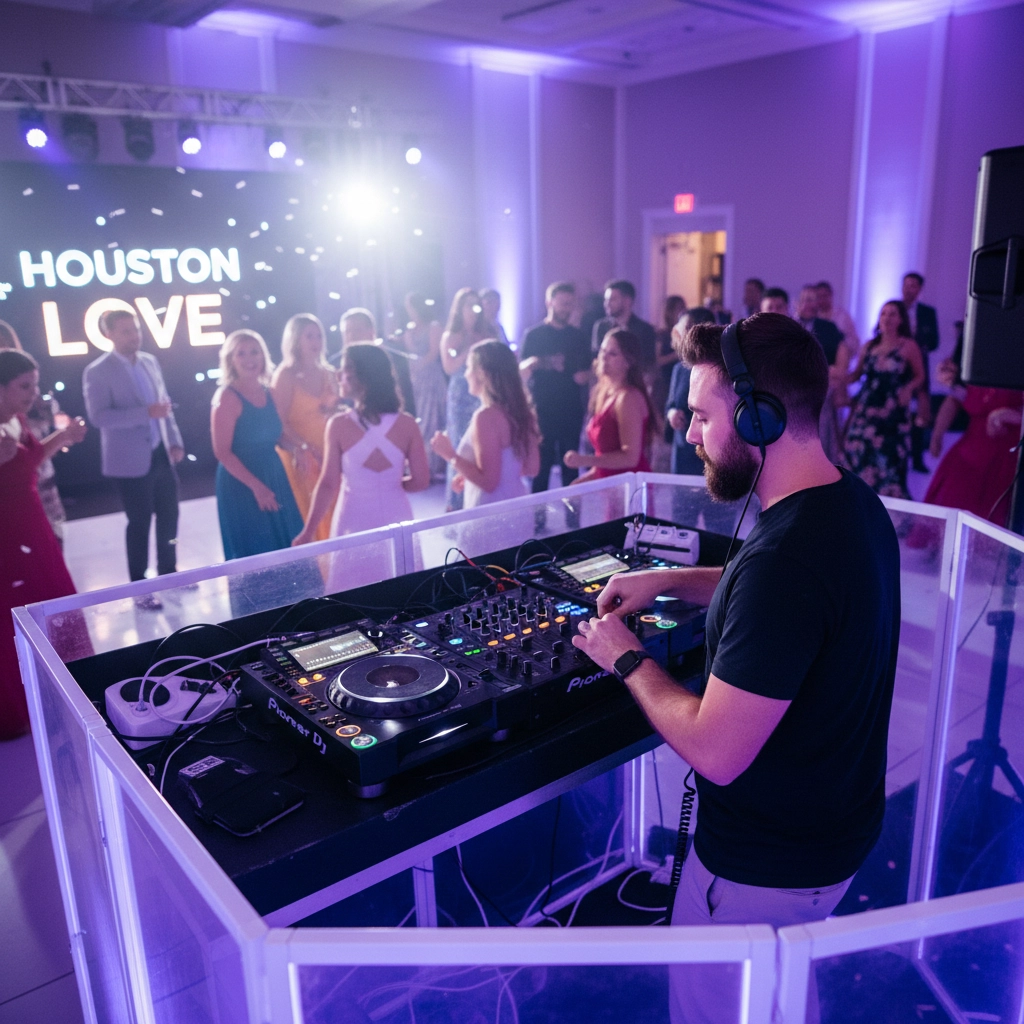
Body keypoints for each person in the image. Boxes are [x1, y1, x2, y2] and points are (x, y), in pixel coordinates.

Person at [572, 313, 899, 1024]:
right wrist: (668, 580)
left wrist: (621, 655)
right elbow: (775, 588)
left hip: (760, 870)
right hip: (828, 839)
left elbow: (716, 752)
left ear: (758, 419)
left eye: (699, 415)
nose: (689, 434)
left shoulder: (785, 562)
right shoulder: (850, 505)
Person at [0, 349, 87, 739]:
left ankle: (62, 685)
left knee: (53, 601)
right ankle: (19, 706)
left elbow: (29, 461)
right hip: (7, 538)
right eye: (24, 386)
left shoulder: (16, 419)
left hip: (35, 525)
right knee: (14, 617)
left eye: (34, 385)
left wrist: (64, 437)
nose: (33, 394)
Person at [82, 310, 184, 604]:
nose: (134, 336)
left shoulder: (150, 361)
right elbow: (99, 417)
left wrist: (174, 440)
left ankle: (171, 572)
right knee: (139, 523)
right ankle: (139, 588)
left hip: (161, 453)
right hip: (128, 462)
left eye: (136, 329)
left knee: (170, 518)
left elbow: (164, 407)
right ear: (109, 334)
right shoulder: (97, 371)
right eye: (125, 331)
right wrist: (144, 414)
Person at [294, 342, 429, 543]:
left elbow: (329, 484)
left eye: (346, 367)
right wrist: (389, 486)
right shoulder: (407, 424)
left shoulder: (339, 425)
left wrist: (308, 532)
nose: (338, 374)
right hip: (397, 515)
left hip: (352, 520)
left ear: (366, 376)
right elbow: (421, 481)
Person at [211, 330, 304, 561]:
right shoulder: (227, 397)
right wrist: (257, 487)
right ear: (231, 360)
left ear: (263, 356)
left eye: (254, 352)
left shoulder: (270, 392)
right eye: (241, 353)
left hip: (273, 474)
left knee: (287, 544)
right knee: (257, 549)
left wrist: (297, 449)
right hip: (242, 484)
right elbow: (222, 452)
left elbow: (277, 434)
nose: (249, 358)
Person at [431, 340, 540, 507]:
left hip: (491, 510)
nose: (466, 374)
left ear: (481, 373)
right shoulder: (522, 412)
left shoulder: (486, 417)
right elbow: (531, 467)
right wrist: (469, 472)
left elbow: (489, 482)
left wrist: (450, 455)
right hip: (519, 504)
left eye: (468, 367)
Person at [842, 301, 926, 499]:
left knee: (888, 461)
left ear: (900, 319)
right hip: (867, 409)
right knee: (856, 452)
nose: (887, 318)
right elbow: (856, 374)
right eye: (883, 314)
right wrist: (838, 379)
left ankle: (891, 511)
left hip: (892, 411)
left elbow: (920, 376)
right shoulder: (869, 346)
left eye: (892, 314)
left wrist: (908, 389)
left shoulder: (908, 346)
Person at [271, 314, 339, 543]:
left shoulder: (329, 372)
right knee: (313, 515)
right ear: (295, 340)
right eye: (309, 336)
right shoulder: (285, 374)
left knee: (337, 512)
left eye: (319, 335)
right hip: (301, 454)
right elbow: (278, 422)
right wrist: (304, 447)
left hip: (330, 451)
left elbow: (335, 413)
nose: (315, 341)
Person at [519, 282, 591, 492]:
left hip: (571, 409)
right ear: (549, 302)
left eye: (570, 304)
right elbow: (522, 369)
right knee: (540, 467)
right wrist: (538, 362)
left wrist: (585, 376)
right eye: (562, 303)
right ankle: (538, 522)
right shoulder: (534, 334)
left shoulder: (578, 336)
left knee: (571, 466)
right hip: (542, 409)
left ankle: (574, 522)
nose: (566, 308)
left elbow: (589, 370)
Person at [0, 320, 67, 544]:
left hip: (40, 482)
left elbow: (34, 450)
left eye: (7, 347)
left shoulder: (28, 383)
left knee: (53, 540)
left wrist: (61, 433)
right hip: (10, 508)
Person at [923, 384, 1023, 527]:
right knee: (953, 500)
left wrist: (1012, 415)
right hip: (971, 448)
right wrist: (937, 434)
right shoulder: (974, 365)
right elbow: (954, 398)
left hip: (1010, 455)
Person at [564, 328, 654, 482]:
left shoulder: (628, 398)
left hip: (630, 487)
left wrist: (585, 460)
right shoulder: (602, 391)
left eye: (612, 354)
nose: (604, 358)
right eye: (602, 351)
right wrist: (583, 481)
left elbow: (630, 458)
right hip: (610, 486)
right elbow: (604, 457)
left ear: (628, 361)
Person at [441, 288, 493, 510]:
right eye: (468, 305)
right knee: (460, 444)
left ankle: (478, 495)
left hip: (484, 392)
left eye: (476, 305)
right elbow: (449, 367)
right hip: (460, 394)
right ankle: (455, 502)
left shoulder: (488, 332)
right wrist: (467, 348)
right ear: (459, 308)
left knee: (482, 442)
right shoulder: (450, 336)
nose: (472, 310)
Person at [796, 285, 850, 462]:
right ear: (798, 303)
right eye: (804, 300)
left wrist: (836, 373)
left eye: (812, 300)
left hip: (823, 389)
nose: (808, 304)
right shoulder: (790, 325)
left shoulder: (828, 327)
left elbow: (841, 358)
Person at [401, 292, 448, 481]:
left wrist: (419, 364)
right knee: (422, 418)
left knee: (433, 419)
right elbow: (410, 352)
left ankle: (432, 466)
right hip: (417, 381)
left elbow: (433, 353)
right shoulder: (410, 329)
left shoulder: (434, 327)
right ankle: (425, 465)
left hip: (432, 378)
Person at [665, 307, 717, 476]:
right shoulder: (679, 368)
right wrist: (672, 414)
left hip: (707, 448)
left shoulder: (716, 368)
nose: (678, 333)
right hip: (681, 446)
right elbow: (670, 404)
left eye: (685, 328)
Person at [902, 272, 939, 473]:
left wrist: (917, 345)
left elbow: (934, 342)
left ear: (919, 289)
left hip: (919, 370)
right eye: (906, 285)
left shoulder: (927, 312)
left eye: (913, 285)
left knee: (919, 416)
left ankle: (917, 459)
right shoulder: (894, 309)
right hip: (897, 370)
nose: (909, 289)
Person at [590, 279, 657, 373]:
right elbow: (596, 358)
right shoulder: (601, 327)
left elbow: (649, 364)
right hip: (607, 382)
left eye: (612, 299)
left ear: (627, 301)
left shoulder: (644, 330)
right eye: (606, 300)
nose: (607, 304)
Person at [815, 280, 860, 357]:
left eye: (825, 296)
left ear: (831, 295)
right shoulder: (813, 318)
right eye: (819, 297)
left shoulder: (843, 316)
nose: (822, 300)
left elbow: (854, 341)